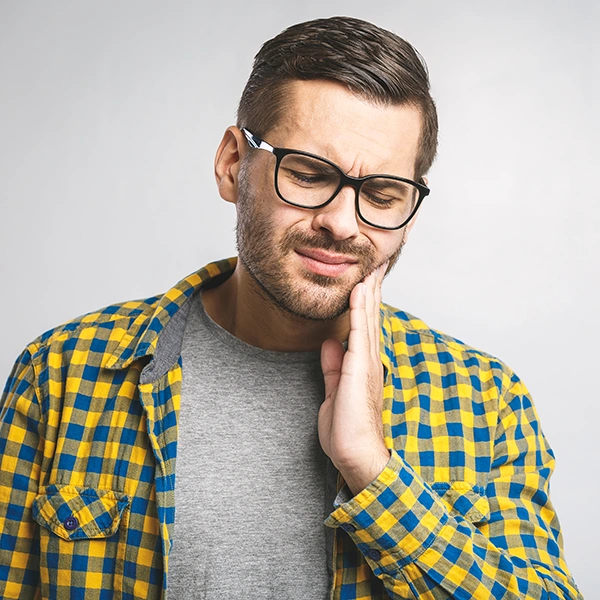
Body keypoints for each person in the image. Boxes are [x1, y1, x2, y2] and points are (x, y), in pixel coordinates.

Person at [0, 15, 582, 600]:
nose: (342, 223)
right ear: (233, 164)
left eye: (382, 194)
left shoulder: (484, 400)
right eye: (307, 174)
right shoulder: (61, 372)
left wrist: (372, 470)